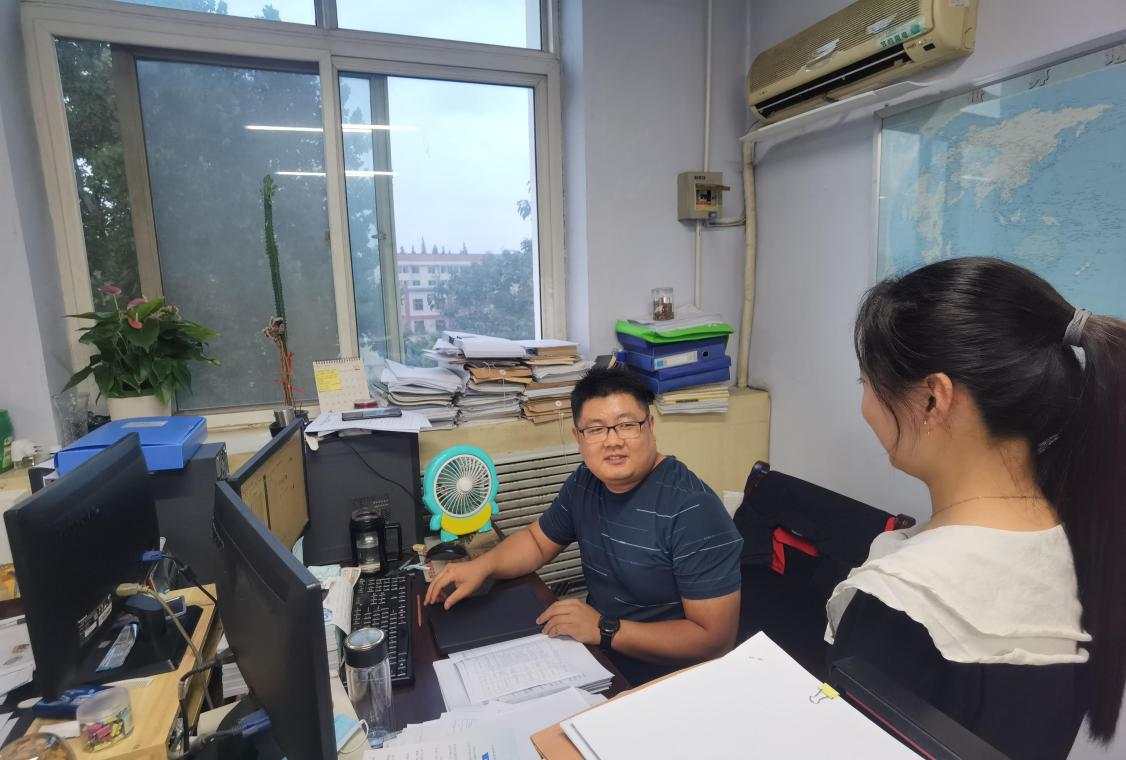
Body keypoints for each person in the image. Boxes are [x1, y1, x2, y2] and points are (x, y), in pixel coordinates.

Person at [826, 257, 1125, 759]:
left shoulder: (903, 600)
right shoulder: (1084, 549)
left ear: (932, 399)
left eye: (866, 383)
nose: (865, 406)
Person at [424, 366, 743, 684]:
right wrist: (482, 567)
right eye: (596, 429)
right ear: (578, 437)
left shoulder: (693, 510)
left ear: (650, 426)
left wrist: (604, 628)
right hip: (601, 655)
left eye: (626, 425)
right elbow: (537, 542)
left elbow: (714, 640)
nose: (613, 441)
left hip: (665, 678)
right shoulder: (586, 482)